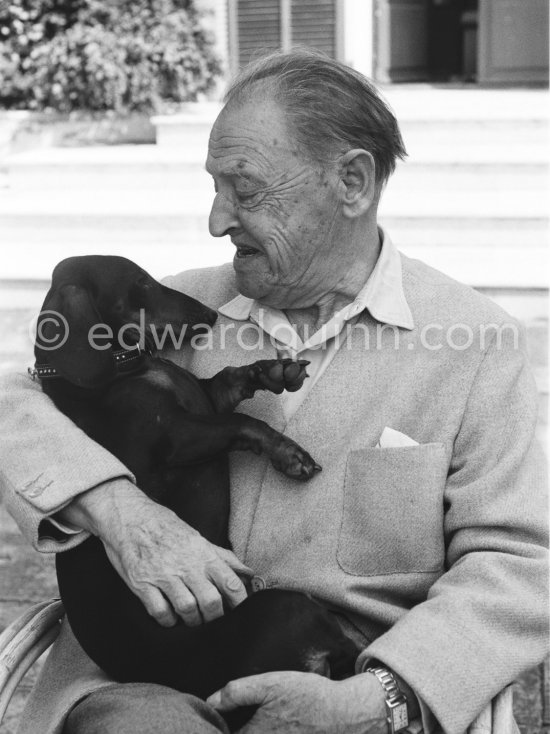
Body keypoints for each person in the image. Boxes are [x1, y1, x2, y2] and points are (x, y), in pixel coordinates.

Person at [0, 50, 547, 734]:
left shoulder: (475, 346)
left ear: (351, 182)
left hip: (343, 674)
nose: (217, 218)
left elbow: (520, 565)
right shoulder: (170, 309)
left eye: (246, 190)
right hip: (140, 678)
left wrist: (382, 697)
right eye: (214, 186)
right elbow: (18, 403)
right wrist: (118, 509)